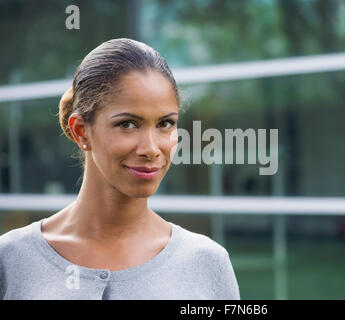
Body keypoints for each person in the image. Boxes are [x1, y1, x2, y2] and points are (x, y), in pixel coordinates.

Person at [0, 38, 240, 300]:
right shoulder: (11, 259)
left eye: (165, 124)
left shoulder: (206, 263)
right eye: (127, 124)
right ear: (82, 131)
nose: (151, 148)